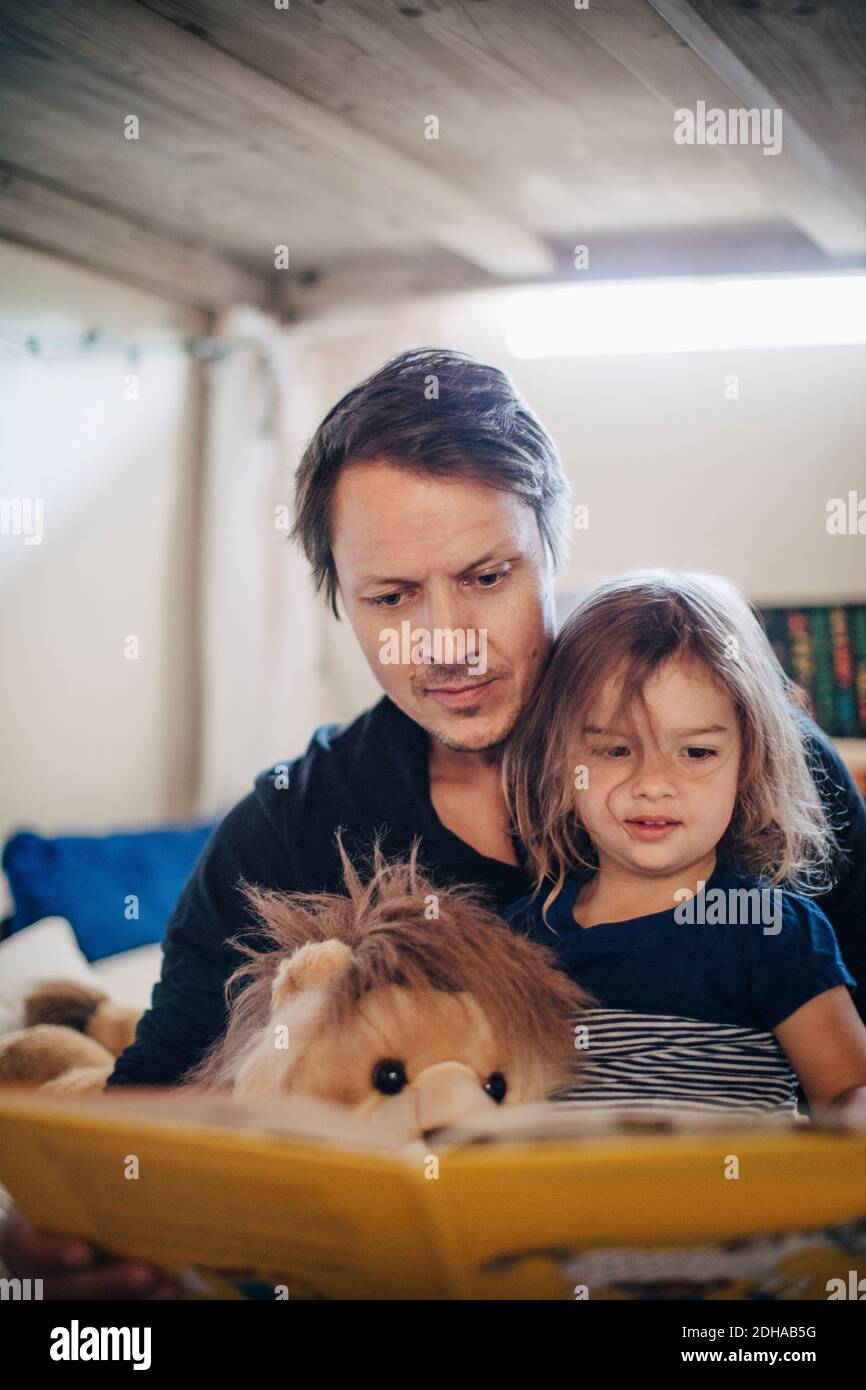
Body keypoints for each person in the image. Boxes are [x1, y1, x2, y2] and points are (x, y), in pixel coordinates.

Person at [3, 350, 865, 1296]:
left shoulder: (755, 772)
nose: (447, 644)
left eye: (488, 576)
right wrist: (74, 1236)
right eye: (392, 597)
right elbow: (151, 1113)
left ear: (553, 548)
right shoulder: (288, 830)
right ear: (340, 594)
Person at [502, 570, 866, 1119]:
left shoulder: (770, 928)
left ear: (748, 765)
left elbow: (844, 1091)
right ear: (560, 763)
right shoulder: (522, 936)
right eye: (615, 751)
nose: (653, 784)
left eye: (696, 753)